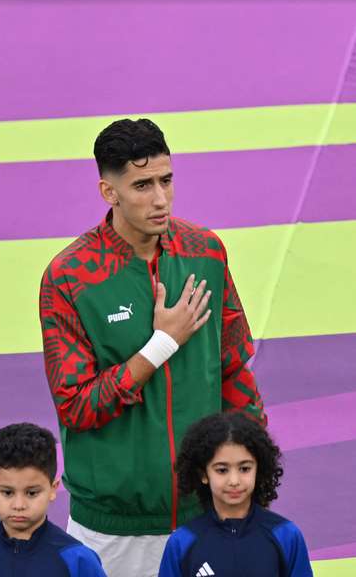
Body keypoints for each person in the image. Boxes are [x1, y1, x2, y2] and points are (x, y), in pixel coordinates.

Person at [38, 118, 267, 577]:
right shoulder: (69, 277)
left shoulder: (207, 252)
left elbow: (233, 371)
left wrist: (252, 478)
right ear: (109, 191)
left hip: (206, 512)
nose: (159, 199)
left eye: (166, 180)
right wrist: (161, 344)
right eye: (142, 185)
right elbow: (78, 406)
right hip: (115, 530)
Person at [159, 412, 312, 577]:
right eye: (222, 470)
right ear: (203, 474)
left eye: (244, 468)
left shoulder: (286, 536)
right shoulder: (182, 543)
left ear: (258, 470)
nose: (234, 480)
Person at [0, 423, 106, 577]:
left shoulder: (77, 561)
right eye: (7, 492)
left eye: (31, 493)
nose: (19, 505)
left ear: (53, 488)